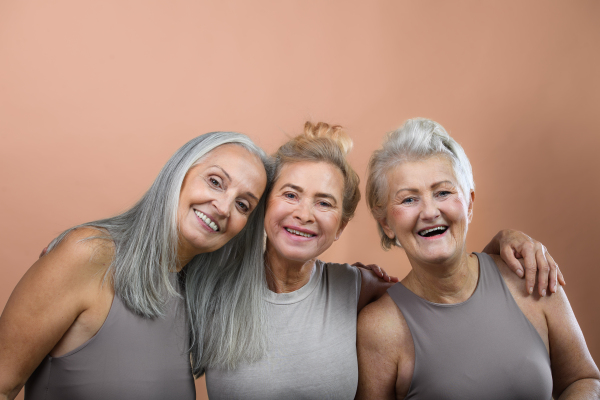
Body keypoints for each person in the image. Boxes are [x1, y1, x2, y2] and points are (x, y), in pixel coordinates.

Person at [205, 122, 563, 399]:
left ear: (341, 227)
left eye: (324, 202)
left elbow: (448, 289)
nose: (304, 213)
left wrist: (502, 245)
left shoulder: (357, 286)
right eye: (290, 194)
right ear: (265, 205)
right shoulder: (211, 286)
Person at [0, 132, 272, 400]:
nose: (224, 208)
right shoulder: (89, 254)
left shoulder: (193, 295)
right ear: (179, 174)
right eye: (215, 182)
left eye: (242, 205)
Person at [356, 118, 600, 399]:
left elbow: (583, 378)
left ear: (469, 203)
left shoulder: (530, 275)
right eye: (409, 199)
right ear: (386, 223)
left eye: (443, 192)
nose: (429, 211)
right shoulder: (379, 329)